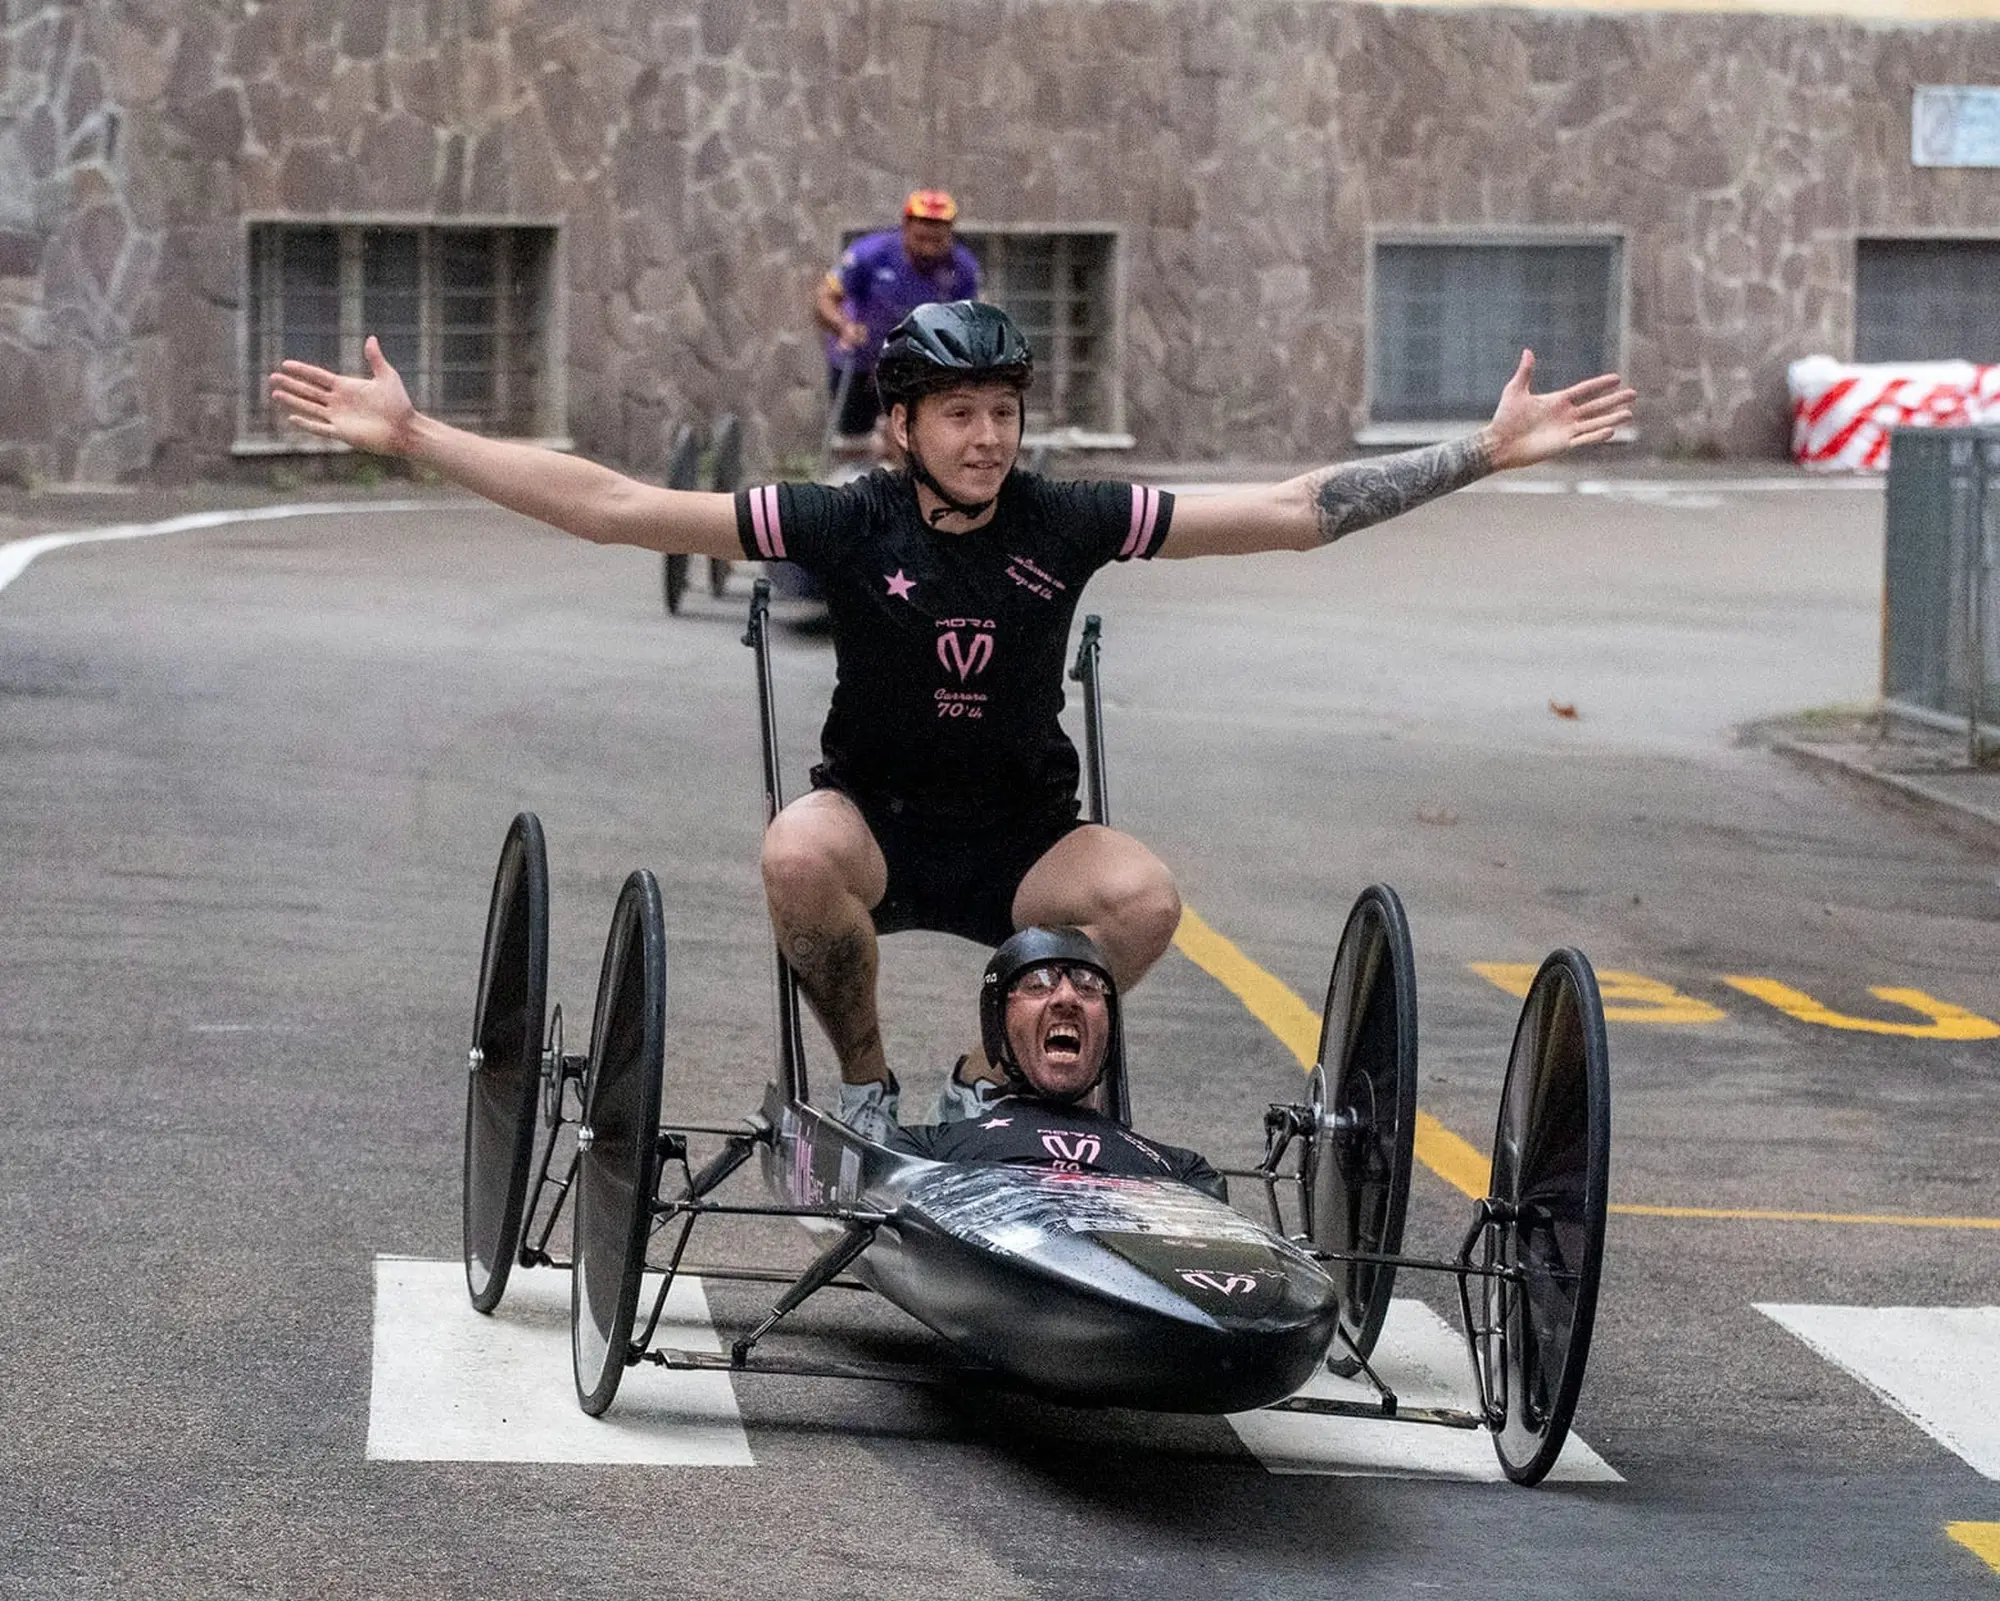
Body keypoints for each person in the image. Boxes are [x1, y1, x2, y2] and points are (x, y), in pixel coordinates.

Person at [267, 298, 1635, 1132]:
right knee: (794, 853)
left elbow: (1289, 513)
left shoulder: (1070, 515)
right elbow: (620, 507)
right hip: (876, 824)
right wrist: (416, 438)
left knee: (1148, 899)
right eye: (960, 413)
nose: (988, 435)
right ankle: (866, 1082)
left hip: (1025, 841)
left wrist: (1482, 453)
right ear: (902, 425)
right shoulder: (846, 519)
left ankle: (983, 1086)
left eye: (1005, 411)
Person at [874, 927, 1226, 1200]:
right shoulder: (921, 1150)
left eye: (1089, 986)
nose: (1067, 998)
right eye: (1038, 983)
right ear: (998, 1023)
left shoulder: (1184, 1171)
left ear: (1109, 1025)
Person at [811, 189, 981, 452]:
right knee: (852, 442)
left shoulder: (962, 267)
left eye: (938, 235)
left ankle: (905, 486)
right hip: (860, 358)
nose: (929, 244)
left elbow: (968, 318)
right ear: (906, 225)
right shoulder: (870, 254)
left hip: (917, 363)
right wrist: (843, 326)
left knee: (912, 437)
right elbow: (826, 297)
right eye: (922, 233)